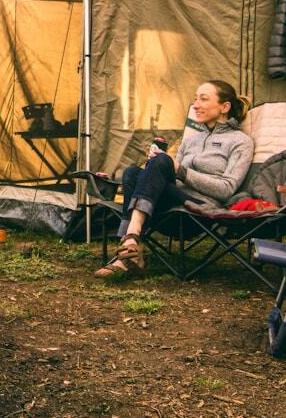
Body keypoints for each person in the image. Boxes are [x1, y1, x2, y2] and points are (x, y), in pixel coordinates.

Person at [95, 80, 254, 279]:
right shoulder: (191, 140)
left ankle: (128, 246)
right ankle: (131, 245)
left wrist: (180, 170)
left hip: (200, 210)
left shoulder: (241, 142)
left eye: (203, 99)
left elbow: (227, 189)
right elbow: (170, 175)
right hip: (170, 207)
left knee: (161, 161)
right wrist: (155, 166)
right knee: (132, 172)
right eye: (195, 99)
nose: (195, 105)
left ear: (225, 107)